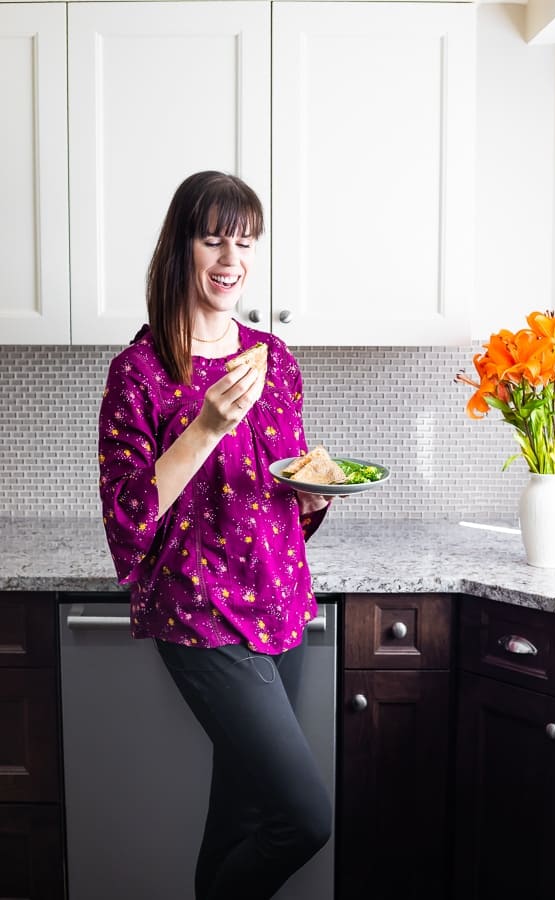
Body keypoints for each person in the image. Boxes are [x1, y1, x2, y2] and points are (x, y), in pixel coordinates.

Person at [98, 170, 334, 899]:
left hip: (281, 603)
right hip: (197, 615)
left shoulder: (275, 359)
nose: (232, 258)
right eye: (213, 239)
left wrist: (318, 491)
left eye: (246, 240)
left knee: (241, 817)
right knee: (304, 818)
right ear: (181, 248)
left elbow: (284, 498)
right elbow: (128, 520)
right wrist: (205, 428)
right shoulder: (139, 373)